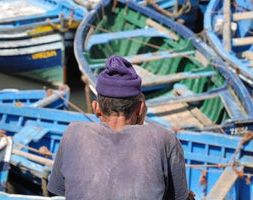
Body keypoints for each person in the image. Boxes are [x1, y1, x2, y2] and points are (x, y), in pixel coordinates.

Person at [48, 55, 191, 200]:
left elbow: (58, 192)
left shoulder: (73, 133)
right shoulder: (164, 139)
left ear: (96, 108)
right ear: (140, 109)